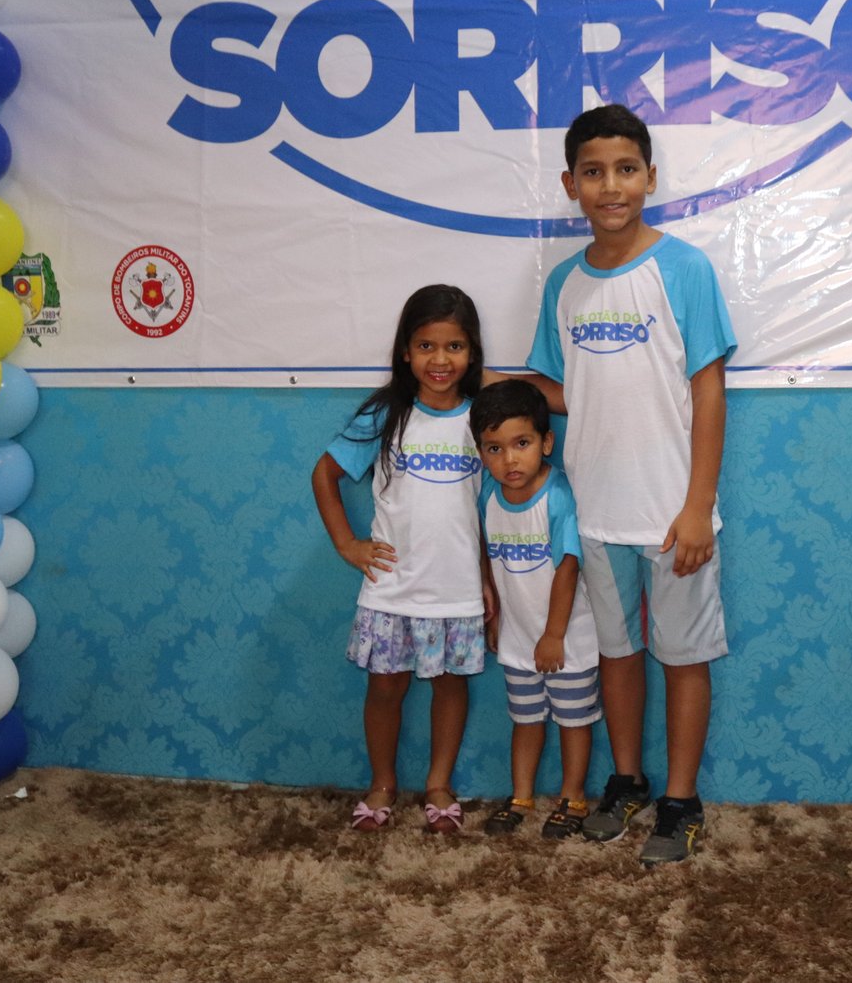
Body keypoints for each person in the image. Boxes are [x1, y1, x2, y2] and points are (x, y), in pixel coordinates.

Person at [519, 103, 737, 866]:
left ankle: (681, 799)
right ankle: (628, 779)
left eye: (625, 169)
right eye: (593, 172)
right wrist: (496, 383)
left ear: (650, 176)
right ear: (570, 185)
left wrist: (698, 506)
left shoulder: (685, 269)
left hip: (675, 515)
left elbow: (708, 391)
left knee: (682, 655)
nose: (610, 186)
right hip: (596, 513)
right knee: (617, 652)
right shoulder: (563, 285)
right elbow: (566, 389)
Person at [311, 284, 490, 834]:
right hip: (391, 586)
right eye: (426, 346)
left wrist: (489, 580)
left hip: (457, 586)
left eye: (454, 346)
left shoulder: (484, 418)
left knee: (450, 684)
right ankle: (382, 783)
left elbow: (491, 508)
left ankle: (438, 784)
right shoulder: (386, 415)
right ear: (405, 351)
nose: (440, 360)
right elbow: (325, 474)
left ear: (472, 352)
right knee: (385, 686)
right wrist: (347, 544)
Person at [469, 379, 600, 839]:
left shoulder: (558, 495)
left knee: (573, 721)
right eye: (495, 448)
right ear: (481, 452)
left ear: (546, 442)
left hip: (567, 639)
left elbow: (568, 568)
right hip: (518, 637)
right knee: (525, 721)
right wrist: (495, 615)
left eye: (521, 444)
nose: (509, 459)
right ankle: (521, 795)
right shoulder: (488, 495)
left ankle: (573, 797)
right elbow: (487, 552)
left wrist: (554, 635)